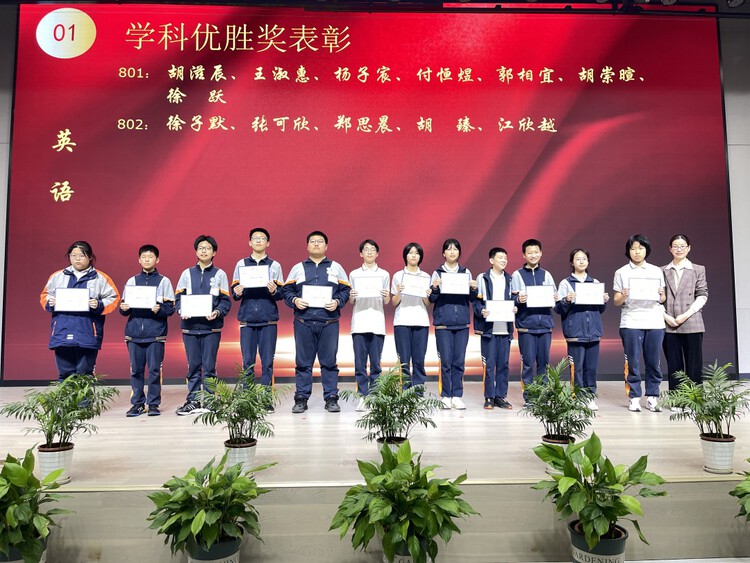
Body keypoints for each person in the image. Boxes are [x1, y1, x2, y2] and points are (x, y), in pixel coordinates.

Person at [282, 231, 351, 414]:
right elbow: (286, 291)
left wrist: (337, 302)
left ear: (326, 246)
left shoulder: (336, 267)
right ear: (307, 246)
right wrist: (295, 300)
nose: (316, 244)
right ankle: (301, 399)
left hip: (329, 322)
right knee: (303, 363)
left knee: (329, 363)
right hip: (303, 321)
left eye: (320, 241)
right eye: (312, 241)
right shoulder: (298, 268)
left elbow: (345, 291)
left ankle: (331, 398)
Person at [41, 240, 120, 381]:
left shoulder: (101, 278)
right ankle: (67, 397)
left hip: (87, 332)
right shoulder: (57, 276)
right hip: (62, 331)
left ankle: (84, 397)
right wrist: (50, 302)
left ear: (90, 257)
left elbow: (114, 298)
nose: (77, 259)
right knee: (65, 375)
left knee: (85, 374)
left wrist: (99, 304)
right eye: (73, 255)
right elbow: (45, 295)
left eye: (81, 255)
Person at [174, 235, 231, 415]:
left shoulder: (220, 274)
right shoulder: (186, 274)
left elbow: (225, 301)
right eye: (200, 248)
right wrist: (181, 310)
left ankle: (209, 400)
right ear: (196, 251)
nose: (203, 251)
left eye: (207, 248)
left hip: (211, 328)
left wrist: (217, 312)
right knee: (193, 366)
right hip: (190, 328)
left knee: (209, 366)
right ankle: (192, 400)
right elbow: (178, 298)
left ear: (214, 252)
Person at [119, 244, 175, 417]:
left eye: (150, 257)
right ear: (139, 260)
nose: (147, 260)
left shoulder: (164, 281)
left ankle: (153, 404)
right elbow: (124, 310)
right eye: (143, 257)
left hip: (155, 334)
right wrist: (124, 307)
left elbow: (170, 309)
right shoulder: (132, 281)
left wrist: (160, 309)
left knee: (154, 371)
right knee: (135, 371)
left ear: (157, 260)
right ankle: (137, 404)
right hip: (134, 333)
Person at [231, 228, 284, 409]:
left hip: (268, 319)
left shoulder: (275, 265)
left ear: (268, 243)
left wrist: (274, 290)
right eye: (255, 238)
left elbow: (281, 294)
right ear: (250, 242)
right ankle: (248, 399)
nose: (259, 241)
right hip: (247, 319)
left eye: (262, 238)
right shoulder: (241, 264)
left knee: (267, 362)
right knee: (247, 362)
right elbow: (235, 294)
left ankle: (266, 399)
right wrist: (237, 292)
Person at [613, 234, 666, 413]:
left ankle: (652, 396)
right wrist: (623, 295)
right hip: (631, 321)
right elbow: (616, 301)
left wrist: (662, 295)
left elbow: (662, 298)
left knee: (653, 361)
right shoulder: (621, 272)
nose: (637, 252)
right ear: (628, 251)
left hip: (654, 321)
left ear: (646, 250)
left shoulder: (656, 271)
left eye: (641, 248)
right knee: (633, 361)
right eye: (633, 248)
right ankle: (634, 397)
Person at [554, 248, 609, 410]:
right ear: (572, 262)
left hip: (594, 332)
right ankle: (577, 396)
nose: (581, 261)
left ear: (588, 261)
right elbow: (558, 309)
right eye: (577, 259)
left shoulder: (595, 283)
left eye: (584, 258)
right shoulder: (566, 283)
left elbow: (600, 310)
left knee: (591, 368)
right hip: (575, 333)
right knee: (576, 367)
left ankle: (590, 397)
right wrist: (566, 300)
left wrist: (603, 300)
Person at [428, 238, 478, 410]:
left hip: (462, 323)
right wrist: (435, 288)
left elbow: (471, 298)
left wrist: (473, 289)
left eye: (455, 249)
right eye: (448, 249)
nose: (452, 252)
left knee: (459, 361)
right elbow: (432, 299)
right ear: (443, 253)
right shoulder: (437, 273)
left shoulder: (466, 272)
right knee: (446, 361)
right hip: (443, 323)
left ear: (459, 252)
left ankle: (457, 395)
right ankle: (445, 395)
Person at [511, 238, 558, 405]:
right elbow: (510, 299)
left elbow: (554, 298)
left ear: (541, 253)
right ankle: (530, 397)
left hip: (545, 326)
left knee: (544, 363)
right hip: (526, 326)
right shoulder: (517, 275)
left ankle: (542, 397)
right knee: (528, 363)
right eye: (529, 252)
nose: (533, 255)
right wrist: (518, 299)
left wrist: (554, 298)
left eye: (536, 252)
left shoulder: (546, 274)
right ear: (524, 255)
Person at [661, 234, 708, 393]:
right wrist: (666, 316)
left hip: (692, 322)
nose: (679, 249)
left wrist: (686, 315)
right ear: (670, 249)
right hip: (669, 323)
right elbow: (656, 298)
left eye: (682, 246)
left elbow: (702, 295)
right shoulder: (662, 271)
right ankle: (677, 398)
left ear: (689, 248)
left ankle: (695, 399)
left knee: (694, 364)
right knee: (674, 364)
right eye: (675, 246)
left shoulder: (698, 269)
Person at [348, 239, 390, 411]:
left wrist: (386, 295)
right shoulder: (354, 274)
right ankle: (363, 396)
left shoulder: (384, 274)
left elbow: (386, 301)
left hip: (377, 322)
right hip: (359, 322)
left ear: (377, 253)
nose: (370, 252)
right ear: (361, 253)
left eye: (373, 249)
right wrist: (351, 296)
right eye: (366, 249)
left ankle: (374, 396)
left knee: (376, 364)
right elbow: (351, 301)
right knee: (359, 364)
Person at [474, 247, 515, 410]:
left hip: (505, 328)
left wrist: (515, 307)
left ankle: (501, 396)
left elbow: (514, 300)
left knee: (503, 364)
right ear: (491, 260)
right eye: (500, 258)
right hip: (489, 329)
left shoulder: (510, 279)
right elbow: (476, 301)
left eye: (505, 258)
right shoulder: (482, 278)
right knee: (489, 364)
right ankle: (489, 396)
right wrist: (481, 311)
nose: (503, 260)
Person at [392, 242, 432, 391]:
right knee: (403, 360)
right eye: (410, 253)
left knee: (419, 359)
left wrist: (426, 294)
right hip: (402, 321)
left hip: (421, 321)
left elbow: (427, 303)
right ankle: (405, 391)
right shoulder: (398, 276)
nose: (414, 255)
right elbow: (394, 302)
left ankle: (418, 390)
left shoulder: (425, 277)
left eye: (417, 253)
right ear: (406, 256)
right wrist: (399, 292)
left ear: (420, 256)